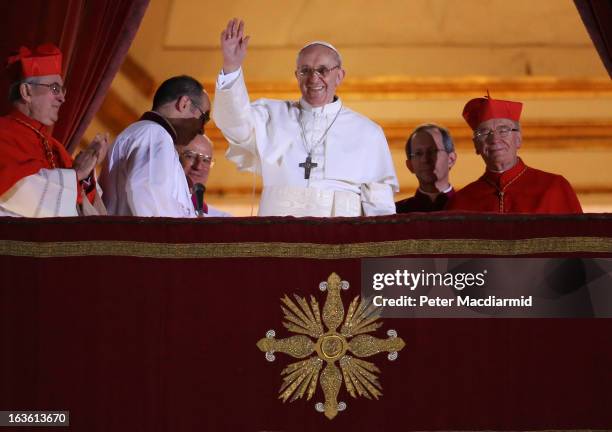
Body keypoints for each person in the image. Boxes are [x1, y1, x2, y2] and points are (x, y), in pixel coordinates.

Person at [213, 19, 398, 217]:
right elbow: (234, 124)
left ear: (340, 75)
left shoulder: (368, 132)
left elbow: (380, 205)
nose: (313, 78)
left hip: (341, 239)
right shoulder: (271, 115)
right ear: (296, 75)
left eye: (323, 70)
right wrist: (231, 67)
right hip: (279, 235)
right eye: (305, 71)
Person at [0, 43, 108, 217]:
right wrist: (76, 174)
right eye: (54, 89)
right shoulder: (3, 134)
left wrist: (87, 174)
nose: (62, 98)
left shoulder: (56, 147)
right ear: (26, 92)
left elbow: (78, 205)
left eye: (62, 90)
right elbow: (16, 193)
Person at [447, 94, 582, 214]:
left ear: (518, 139)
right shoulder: (460, 203)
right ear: (476, 145)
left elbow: (578, 241)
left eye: (503, 130)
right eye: (484, 132)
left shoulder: (554, 188)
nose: (494, 139)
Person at [101, 75, 210, 217]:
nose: (202, 130)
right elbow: (150, 198)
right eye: (204, 118)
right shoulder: (154, 134)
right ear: (184, 103)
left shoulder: (142, 132)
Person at [396, 124, 456, 213]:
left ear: (451, 159)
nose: (425, 160)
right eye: (418, 153)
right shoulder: (397, 214)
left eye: (433, 151)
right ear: (410, 165)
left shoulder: (471, 209)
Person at [176, 133, 231, 217]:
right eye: (190, 156)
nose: (198, 166)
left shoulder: (222, 219)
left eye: (206, 160)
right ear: (175, 158)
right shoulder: (158, 205)